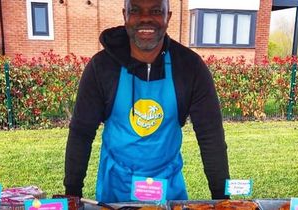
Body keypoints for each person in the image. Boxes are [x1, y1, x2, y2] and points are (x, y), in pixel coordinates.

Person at [64, 0, 230, 203]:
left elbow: (210, 136)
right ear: (125, 15)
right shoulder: (101, 67)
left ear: (168, 16)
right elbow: (81, 133)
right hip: (115, 190)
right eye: (136, 10)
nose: (145, 18)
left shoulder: (190, 67)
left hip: (168, 191)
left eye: (155, 11)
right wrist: (72, 194)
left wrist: (223, 200)